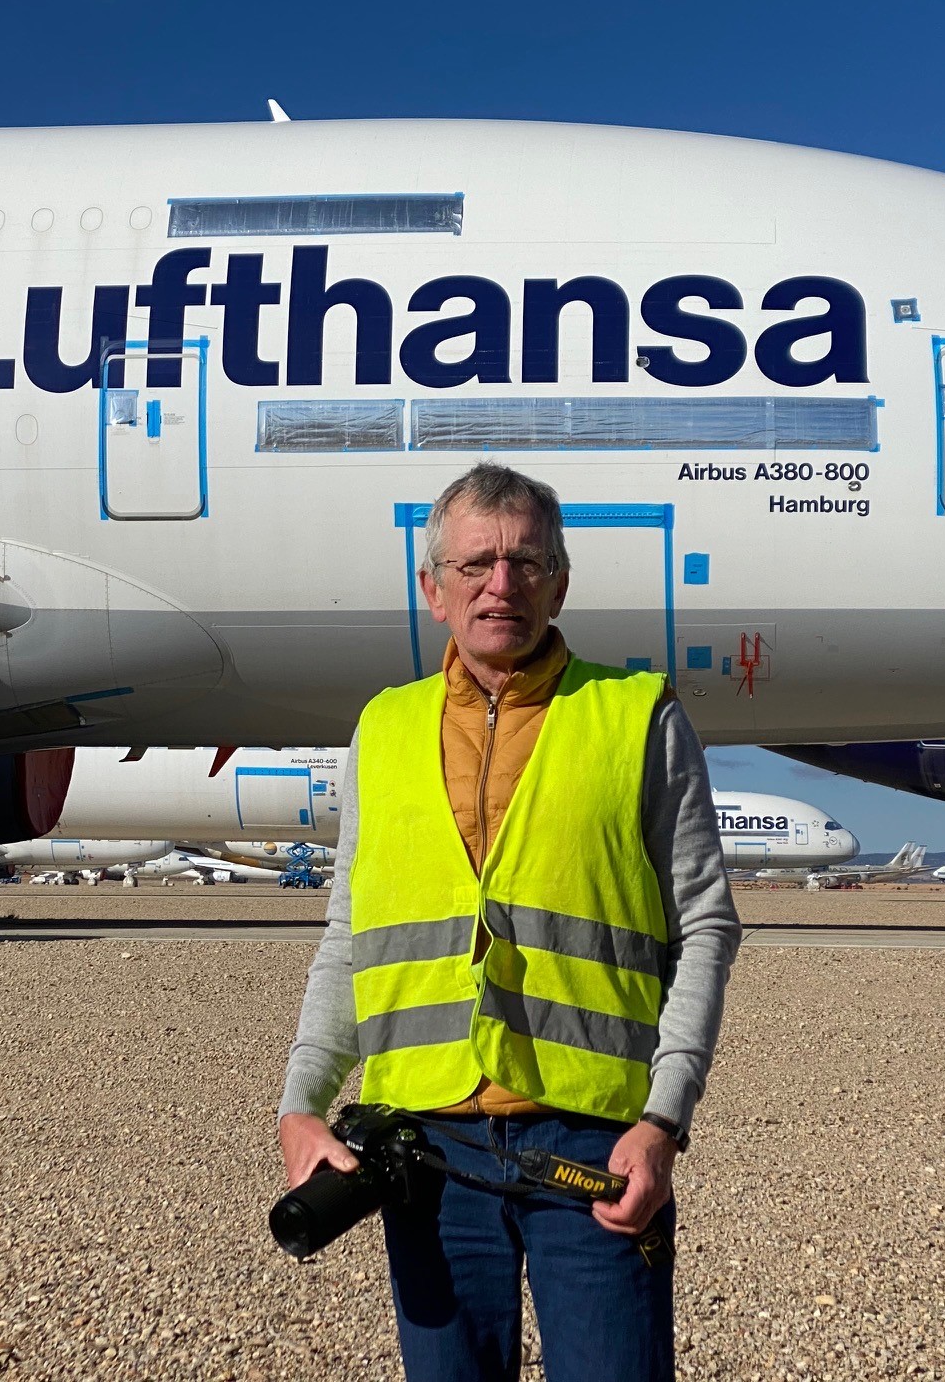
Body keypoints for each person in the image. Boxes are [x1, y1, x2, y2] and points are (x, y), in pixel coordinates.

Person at [278, 462, 741, 1382]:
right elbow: (349, 933)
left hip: (594, 1145)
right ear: (433, 589)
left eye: (528, 563)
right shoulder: (385, 728)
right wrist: (301, 1103)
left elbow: (706, 925)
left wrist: (663, 1122)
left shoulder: (638, 717)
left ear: (560, 580)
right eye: (476, 564)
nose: (502, 586)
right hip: (427, 1145)